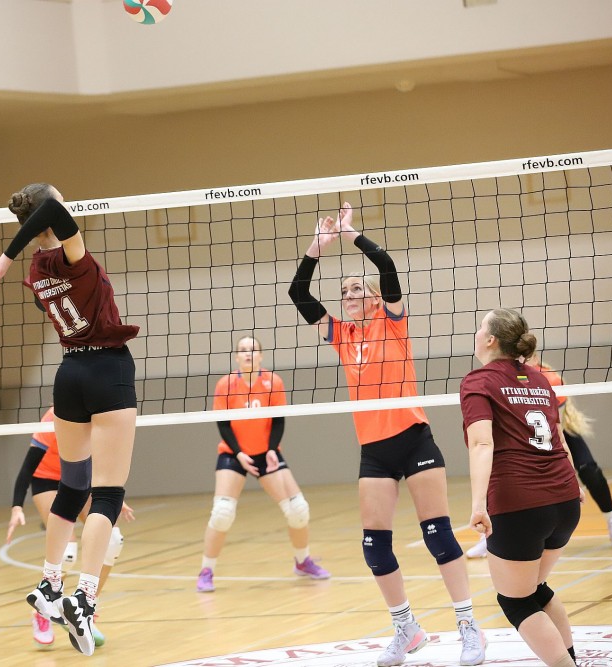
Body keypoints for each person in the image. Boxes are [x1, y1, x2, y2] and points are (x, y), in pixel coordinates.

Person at [288, 204, 485, 667]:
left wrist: (351, 235)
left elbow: (387, 266)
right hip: (374, 450)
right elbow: (298, 292)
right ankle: (406, 628)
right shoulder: (339, 334)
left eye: (357, 288)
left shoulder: (392, 321)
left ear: (376, 299)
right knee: (374, 546)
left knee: (438, 536)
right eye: (343, 291)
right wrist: (317, 247)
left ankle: (468, 625)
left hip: (414, 439)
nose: (348, 295)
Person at [0, 183, 138, 656]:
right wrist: (5, 256)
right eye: (62, 200)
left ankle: (50, 584)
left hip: (68, 374)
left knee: (73, 488)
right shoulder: (70, 255)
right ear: (53, 215)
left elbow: (46, 214)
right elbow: (52, 210)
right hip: (107, 370)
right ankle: (84, 598)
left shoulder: (38, 269)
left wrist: (17, 254)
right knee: (107, 494)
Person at [461, 309, 584, 667]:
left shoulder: (478, 381)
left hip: (519, 504)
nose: (477, 333)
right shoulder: (540, 379)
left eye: (480, 327)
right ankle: (571, 660)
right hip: (564, 499)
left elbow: (481, 444)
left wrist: (478, 504)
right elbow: (558, 437)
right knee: (534, 590)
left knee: (515, 601)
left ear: (490, 340)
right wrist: (575, 482)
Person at [196, 336, 330, 593]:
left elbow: (279, 420)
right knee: (222, 513)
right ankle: (206, 571)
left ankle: (303, 561)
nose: (248, 353)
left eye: (253, 349)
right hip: (234, 454)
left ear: (261, 355)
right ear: (237, 357)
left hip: (266, 453)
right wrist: (238, 453)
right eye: (243, 350)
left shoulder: (273, 381)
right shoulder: (226, 384)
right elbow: (223, 423)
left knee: (298, 510)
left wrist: (271, 448)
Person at [466, 353, 612, 558]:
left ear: (534, 357)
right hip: (519, 432)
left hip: (554, 430)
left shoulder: (548, 378)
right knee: (498, 469)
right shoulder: (498, 378)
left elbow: (555, 425)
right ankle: (490, 535)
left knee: (589, 469)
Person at [5, 405, 135, 650]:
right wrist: (16, 507)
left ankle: (84, 609)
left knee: (113, 540)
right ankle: (43, 610)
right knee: (68, 553)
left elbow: (98, 460)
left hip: (80, 479)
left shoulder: (100, 413)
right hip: (48, 481)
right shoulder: (55, 417)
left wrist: (112, 495)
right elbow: (27, 468)